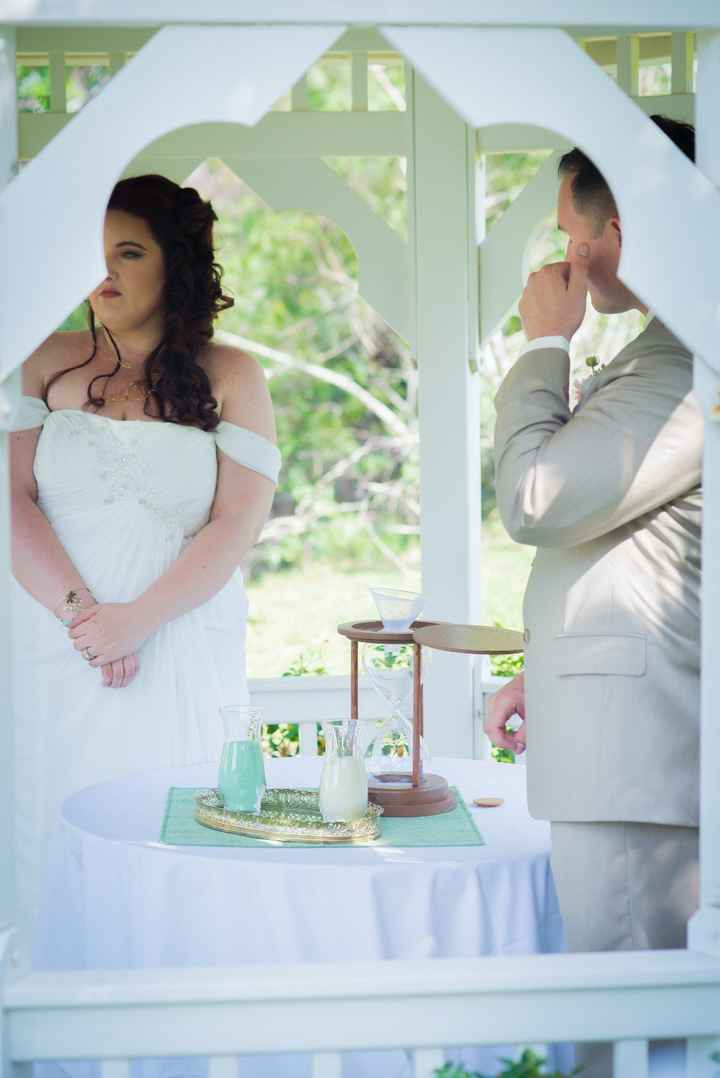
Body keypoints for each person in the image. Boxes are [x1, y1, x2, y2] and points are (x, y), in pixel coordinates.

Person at [9, 174, 279, 948]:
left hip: (178, 643)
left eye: (128, 252)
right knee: (50, 834)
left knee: (175, 837)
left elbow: (237, 522)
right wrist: (86, 621)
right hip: (55, 648)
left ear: (175, 265)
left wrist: (138, 622)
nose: (105, 271)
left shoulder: (233, 375)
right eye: (93, 254)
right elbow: (10, 501)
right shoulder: (38, 363)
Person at [485, 116, 700, 1076]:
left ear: (615, 232)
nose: (563, 257)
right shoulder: (666, 347)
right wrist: (545, 671)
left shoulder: (688, 360)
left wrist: (544, 346)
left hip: (638, 757)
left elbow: (537, 499)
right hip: (615, 734)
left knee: (630, 1042)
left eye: (569, 234)